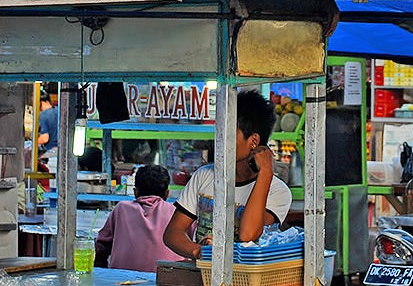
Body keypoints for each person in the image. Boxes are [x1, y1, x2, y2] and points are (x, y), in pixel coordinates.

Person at [163, 90, 292, 259]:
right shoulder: (205, 176)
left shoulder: (278, 191)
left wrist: (266, 173)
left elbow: (248, 234)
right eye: (219, 131)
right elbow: (172, 233)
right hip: (206, 277)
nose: (219, 139)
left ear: (253, 141)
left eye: (228, 133)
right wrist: (201, 252)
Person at [94, 164, 176, 271]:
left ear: (135, 192)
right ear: (167, 194)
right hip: (169, 280)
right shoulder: (177, 213)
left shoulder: (121, 208)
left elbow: (101, 248)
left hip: (121, 281)